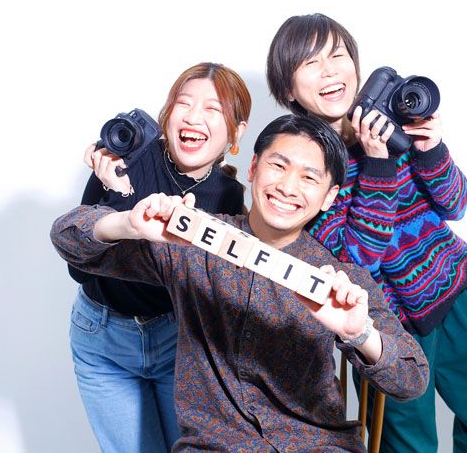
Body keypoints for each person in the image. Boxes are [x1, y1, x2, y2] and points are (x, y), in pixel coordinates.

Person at [51, 114, 430, 452]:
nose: (288, 187)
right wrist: (127, 224)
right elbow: (67, 238)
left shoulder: (339, 279)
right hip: (214, 445)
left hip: (318, 445)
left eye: (309, 177)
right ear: (252, 168)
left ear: (329, 196)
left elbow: (412, 378)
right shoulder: (189, 242)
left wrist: (360, 334)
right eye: (278, 166)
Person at [266, 13, 467, 452]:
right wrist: (378, 165)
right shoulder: (305, 161)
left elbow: (455, 204)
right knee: (406, 446)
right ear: (288, 88)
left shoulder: (391, 118)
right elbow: (358, 260)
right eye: (311, 63)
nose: (329, 71)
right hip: (384, 330)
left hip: (456, 292)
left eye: (337, 56)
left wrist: (431, 149)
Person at [67, 62, 250, 452]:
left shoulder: (229, 196)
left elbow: (207, 289)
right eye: (184, 103)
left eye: (213, 109)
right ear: (168, 113)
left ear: (236, 131)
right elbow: (78, 270)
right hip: (103, 338)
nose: (194, 116)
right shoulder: (128, 158)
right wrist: (117, 195)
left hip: (176, 341)